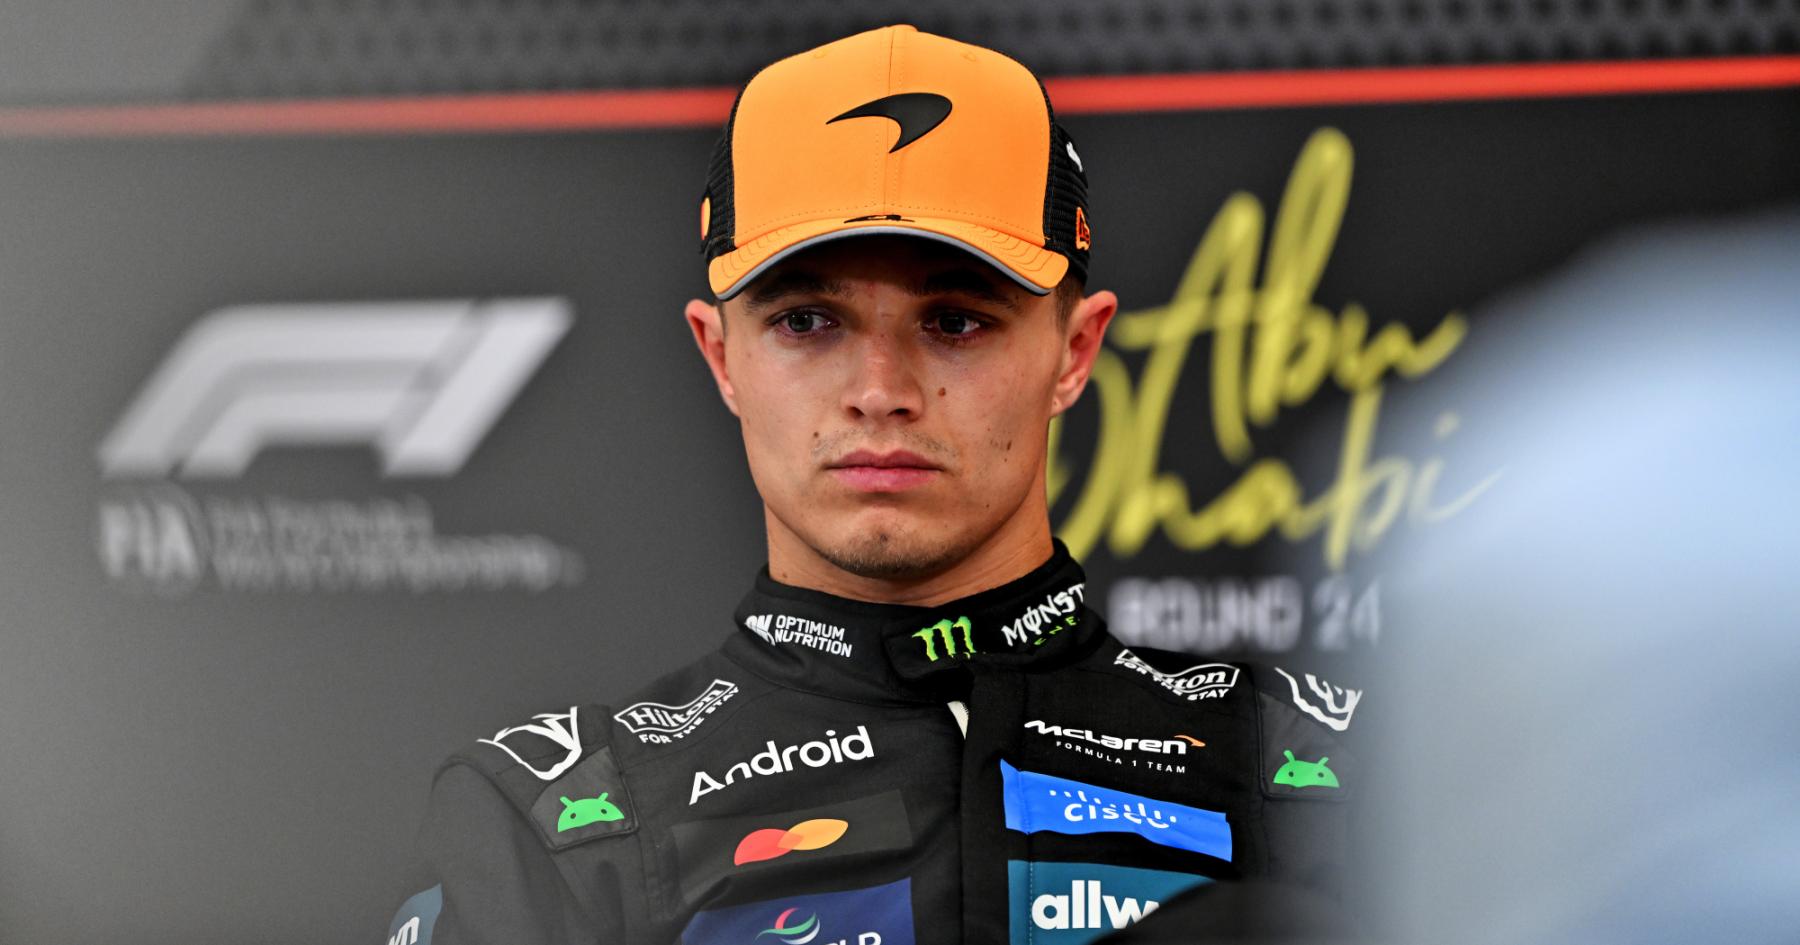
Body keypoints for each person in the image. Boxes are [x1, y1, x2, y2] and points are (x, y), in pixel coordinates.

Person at [386, 24, 1360, 945]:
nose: (880, 390)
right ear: (721, 356)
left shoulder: (1316, 773)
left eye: (956, 321)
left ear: (1075, 349)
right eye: (807, 322)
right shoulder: (557, 820)